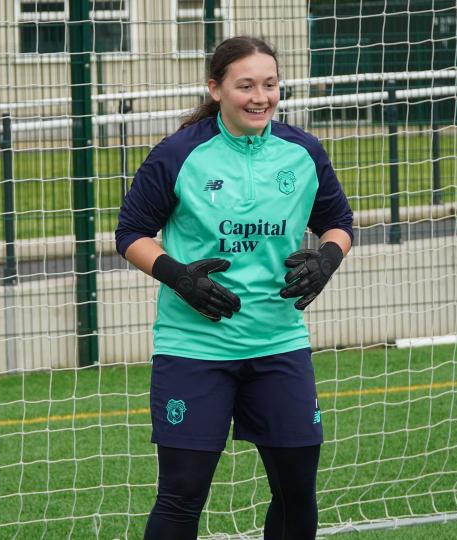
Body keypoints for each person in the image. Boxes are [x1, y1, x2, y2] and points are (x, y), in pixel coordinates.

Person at [115, 36, 353, 540]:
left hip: (278, 344)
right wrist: (179, 277)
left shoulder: (303, 152)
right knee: (181, 495)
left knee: (296, 491)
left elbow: (339, 222)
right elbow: (129, 234)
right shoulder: (180, 154)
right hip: (194, 348)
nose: (259, 97)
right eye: (245, 85)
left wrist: (327, 258)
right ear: (216, 88)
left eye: (270, 85)